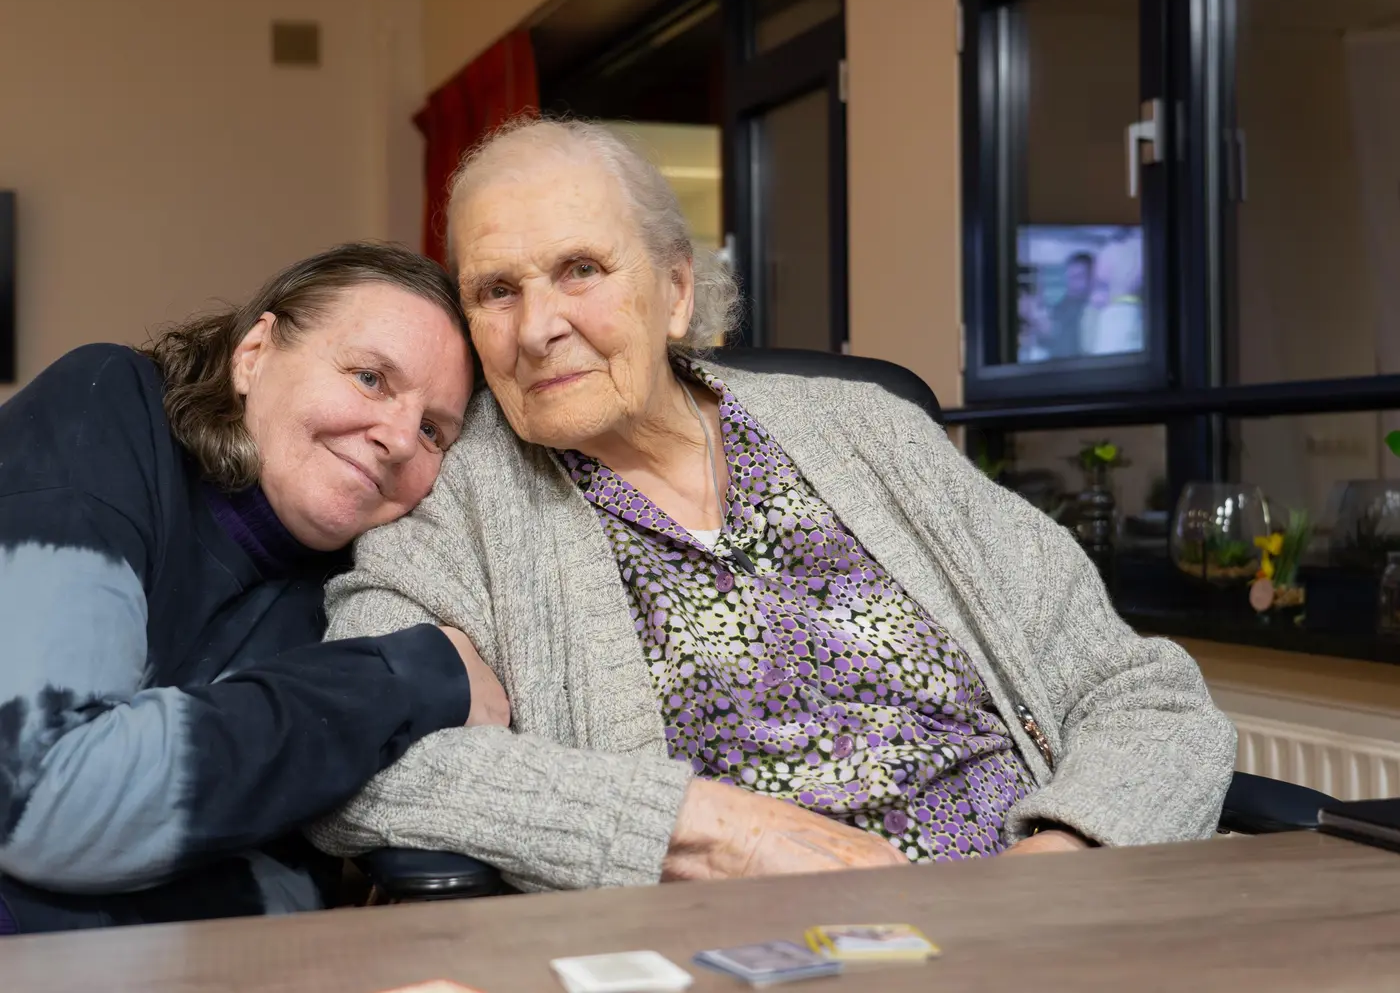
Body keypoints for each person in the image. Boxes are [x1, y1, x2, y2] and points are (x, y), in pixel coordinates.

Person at [307, 120, 1235, 890]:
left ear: (675, 291)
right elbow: (344, 751)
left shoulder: (871, 433)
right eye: (496, 290)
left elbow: (1145, 693)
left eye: (581, 269)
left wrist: (1059, 866)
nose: (540, 327)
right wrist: (702, 830)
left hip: (1033, 918)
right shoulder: (456, 500)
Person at [0, 243, 509, 934]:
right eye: (369, 376)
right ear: (254, 353)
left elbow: (295, 892)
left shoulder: (359, 594)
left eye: (433, 430)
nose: (396, 436)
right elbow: (42, 792)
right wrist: (408, 678)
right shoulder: (105, 408)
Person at [1046, 251, 1094, 358]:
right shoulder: (1058, 308)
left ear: (1092, 278)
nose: (1072, 284)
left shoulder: (1098, 310)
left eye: (1078, 277)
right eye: (1070, 277)